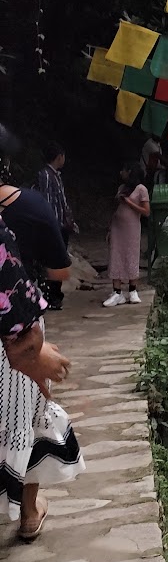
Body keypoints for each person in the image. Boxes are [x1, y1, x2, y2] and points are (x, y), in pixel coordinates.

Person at [0, 214, 78, 539]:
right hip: (8, 333)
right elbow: (57, 269)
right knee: (25, 418)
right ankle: (29, 514)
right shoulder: (32, 206)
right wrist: (30, 348)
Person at [0, 175, 72, 313]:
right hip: (20, 305)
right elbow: (59, 269)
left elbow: (60, 269)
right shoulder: (32, 203)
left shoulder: (31, 203)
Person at [32, 143, 76, 309]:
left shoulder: (56, 175)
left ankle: (55, 295)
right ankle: (51, 297)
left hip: (60, 226)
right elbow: (46, 201)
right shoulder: (45, 175)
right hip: (52, 226)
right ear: (59, 157)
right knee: (53, 261)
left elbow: (61, 201)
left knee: (59, 261)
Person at [104, 166, 150, 307]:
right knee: (116, 255)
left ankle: (132, 290)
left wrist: (129, 202)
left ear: (130, 172)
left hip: (132, 228)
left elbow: (146, 212)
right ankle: (117, 292)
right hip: (118, 227)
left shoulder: (141, 189)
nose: (121, 172)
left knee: (131, 254)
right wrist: (110, 228)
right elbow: (118, 209)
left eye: (124, 169)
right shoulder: (122, 187)